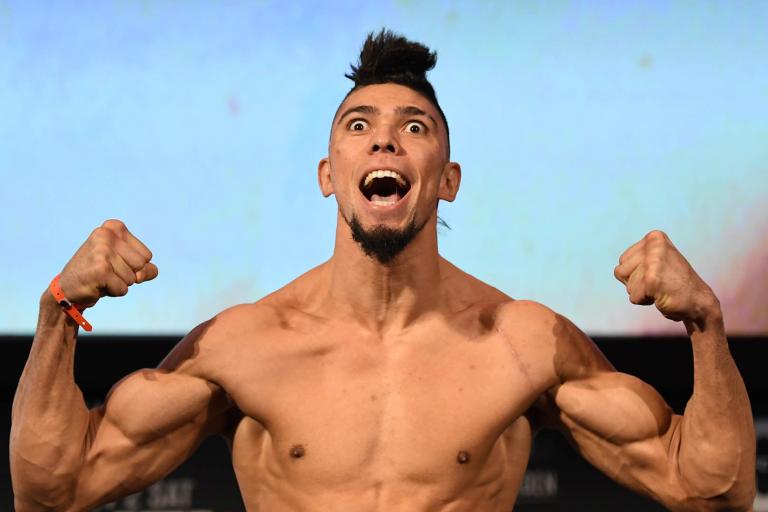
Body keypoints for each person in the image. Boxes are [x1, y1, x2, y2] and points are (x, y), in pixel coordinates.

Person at [10, 29, 755, 511]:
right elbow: (56, 486)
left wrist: (707, 323)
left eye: (414, 128)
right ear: (329, 174)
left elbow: (708, 489)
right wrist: (57, 312)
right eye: (359, 126)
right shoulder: (244, 346)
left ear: (448, 179)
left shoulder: (523, 344)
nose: (385, 143)